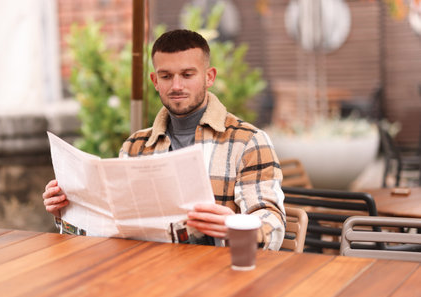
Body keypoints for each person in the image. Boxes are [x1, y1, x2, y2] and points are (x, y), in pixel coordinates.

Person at [43, 29, 285, 250]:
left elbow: (272, 223)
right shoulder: (135, 146)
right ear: (155, 81)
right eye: (166, 76)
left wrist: (236, 225)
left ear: (209, 77)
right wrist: (67, 208)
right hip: (148, 273)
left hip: (219, 277)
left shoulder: (248, 142)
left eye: (187, 74)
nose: (176, 85)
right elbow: (115, 229)